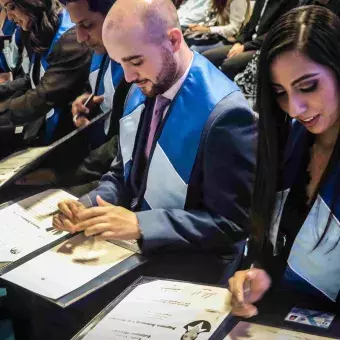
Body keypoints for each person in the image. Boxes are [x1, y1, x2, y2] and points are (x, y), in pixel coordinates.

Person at [53, 0, 256, 256]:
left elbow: (231, 225)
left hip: (191, 261)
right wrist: (91, 206)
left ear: (172, 41)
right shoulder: (146, 84)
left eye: (135, 61)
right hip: (137, 243)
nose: (128, 77)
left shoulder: (225, 115)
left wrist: (141, 225)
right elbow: (124, 173)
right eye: (121, 63)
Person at [228, 6, 340, 319]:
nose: (295, 108)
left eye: (308, 86)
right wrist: (259, 275)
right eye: (280, 93)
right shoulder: (289, 138)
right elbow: (275, 246)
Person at [0, 0, 91, 154]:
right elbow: (32, 79)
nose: (9, 17)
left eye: (12, 7)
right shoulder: (40, 27)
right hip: (42, 123)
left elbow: (43, 97)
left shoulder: (71, 38)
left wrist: (2, 108)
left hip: (67, 141)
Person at [202, 0, 298, 79]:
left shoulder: (286, 3)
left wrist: (245, 46)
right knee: (207, 56)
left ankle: (227, 97)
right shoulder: (261, 2)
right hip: (248, 43)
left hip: (264, 47)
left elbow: (276, 32)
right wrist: (238, 42)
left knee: (230, 64)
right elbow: (249, 26)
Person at [184, 0, 251, 54]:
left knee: (194, 50)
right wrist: (200, 26)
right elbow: (215, 19)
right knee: (186, 41)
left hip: (233, 39)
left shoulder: (238, 1)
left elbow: (234, 29)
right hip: (219, 36)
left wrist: (208, 29)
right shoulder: (218, 2)